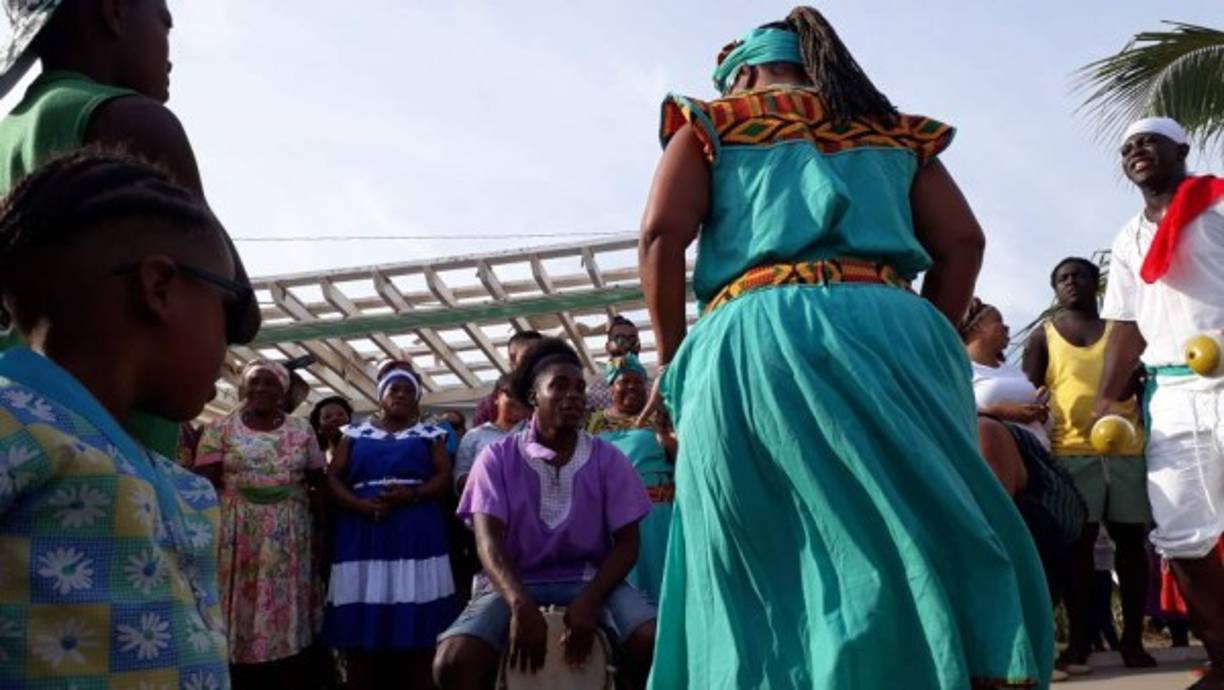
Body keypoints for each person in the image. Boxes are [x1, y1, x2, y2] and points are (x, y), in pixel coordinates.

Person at [637, 8, 1052, 687]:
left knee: (762, 545)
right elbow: (964, 243)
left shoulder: (716, 121)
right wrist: (924, 334)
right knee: (914, 523)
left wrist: (674, 357)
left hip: (757, 328)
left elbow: (661, 236)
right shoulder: (890, 131)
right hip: (894, 321)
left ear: (742, 72)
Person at [0, 150, 236, 687]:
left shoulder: (175, 482)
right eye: (228, 306)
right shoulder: (13, 422)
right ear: (158, 288)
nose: (232, 338)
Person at [0, 0, 260, 458]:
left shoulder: (9, 133)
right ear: (114, 12)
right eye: (164, 22)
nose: (169, 51)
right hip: (116, 447)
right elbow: (239, 308)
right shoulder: (127, 119)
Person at [434, 338, 657, 690]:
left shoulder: (608, 458)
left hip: (591, 580)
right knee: (453, 662)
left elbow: (628, 543)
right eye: (560, 385)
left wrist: (591, 599)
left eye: (580, 387)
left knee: (652, 642)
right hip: (514, 584)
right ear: (534, 396)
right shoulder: (496, 458)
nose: (573, 395)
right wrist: (519, 604)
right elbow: (487, 542)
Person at [1097, 116, 1224, 688]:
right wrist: (1106, 398)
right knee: (1182, 535)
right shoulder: (1127, 239)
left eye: (1148, 140)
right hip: (1172, 393)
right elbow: (1125, 326)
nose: (1136, 151)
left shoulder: (1218, 206)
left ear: (1181, 147)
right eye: (1127, 148)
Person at [1023, 256, 1154, 671]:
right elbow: (1031, 395)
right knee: (1077, 552)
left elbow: (1139, 377)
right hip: (1071, 453)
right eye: (1062, 278)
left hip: (1127, 452)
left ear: (1095, 283)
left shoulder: (1123, 331)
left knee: (1132, 548)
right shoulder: (1043, 337)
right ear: (1054, 289)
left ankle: (1134, 640)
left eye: (1079, 274)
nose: (1071, 282)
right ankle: (1079, 643)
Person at [323, 368, 457, 690]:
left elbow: (443, 478)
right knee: (367, 606)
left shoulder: (430, 434)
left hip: (416, 529)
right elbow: (332, 477)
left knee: (416, 607)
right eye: (393, 389)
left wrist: (412, 494)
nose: (400, 395)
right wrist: (359, 505)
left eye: (408, 391)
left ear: (417, 399)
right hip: (364, 528)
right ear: (380, 396)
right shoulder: (354, 434)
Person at [194, 360, 326, 687]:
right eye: (255, 382)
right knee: (238, 594)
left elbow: (316, 480)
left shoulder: (300, 430)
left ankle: (283, 665)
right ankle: (237, 669)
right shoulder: (219, 428)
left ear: (283, 391)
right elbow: (203, 484)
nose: (262, 389)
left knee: (283, 594)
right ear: (243, 388)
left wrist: (323, 532)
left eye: (271, 383)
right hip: (237, 531)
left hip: (288, 532)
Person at [587, 353, 675, 605]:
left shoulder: (661, 416)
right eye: (624, 381)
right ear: (611, 386)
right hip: (614, 518)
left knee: (663, 584)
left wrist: (663, 435)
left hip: (658, 516)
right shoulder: (593, 422)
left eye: (638, 381)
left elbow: (682, 458)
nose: (632, 387)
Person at [472, 330, 542, 425]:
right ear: (512, 360)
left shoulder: (553, 396)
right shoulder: (490, 405)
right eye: (528, 356)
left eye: (542, 355)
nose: (537, 360)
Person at [586, 315, 641, 413]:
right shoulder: (593, 394)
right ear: (608, 347)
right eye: (620, 339)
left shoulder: (655, 389)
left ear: (639, 346)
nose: (627, 345)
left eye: (633, 339)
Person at [310, 395, 355, 460]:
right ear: (318, 428)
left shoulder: (362, 449)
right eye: (327, 417)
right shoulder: (315, 459)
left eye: (341, 414)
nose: (335, 418)